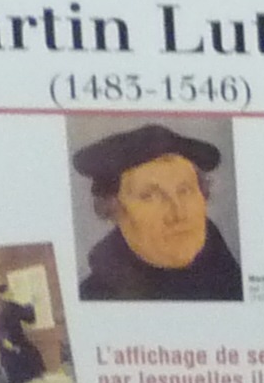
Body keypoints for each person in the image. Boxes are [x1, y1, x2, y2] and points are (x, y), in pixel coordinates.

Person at [73, 121, 243, 299]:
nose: (178, 214)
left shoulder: (232, 281)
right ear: (113, 209)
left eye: (185, 190)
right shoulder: (95, 296)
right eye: (149, 196)